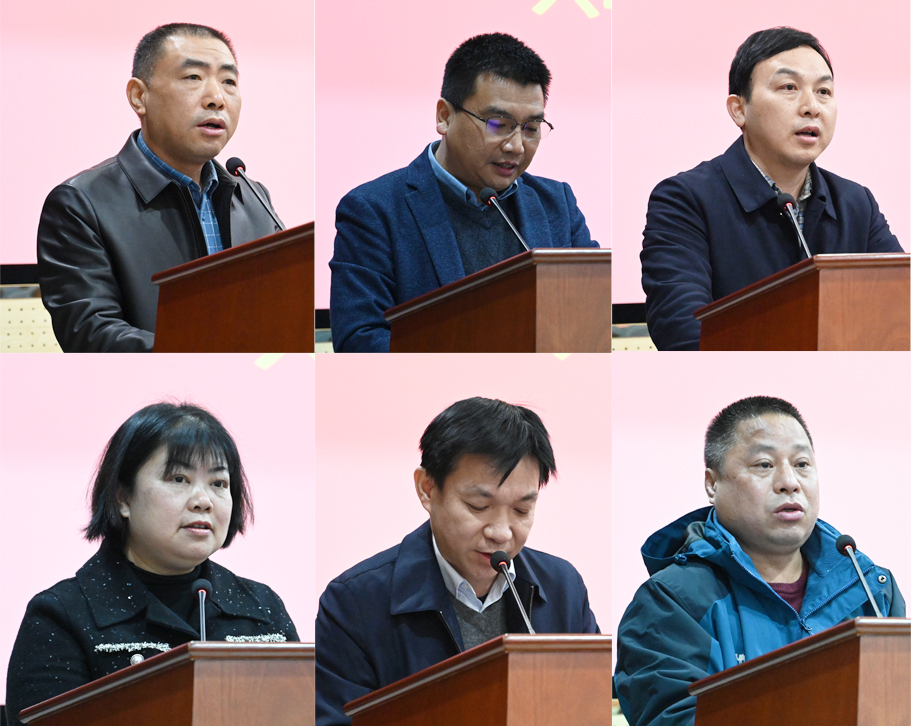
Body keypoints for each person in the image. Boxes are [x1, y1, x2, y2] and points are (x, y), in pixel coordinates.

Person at [614, 396, 905, 726]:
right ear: (712, 484)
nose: (789, 482)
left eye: (802, 464)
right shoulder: (671, 602)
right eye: (764, 465)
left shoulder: (870, 589)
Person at [5, 403, 298, 724]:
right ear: (123, 497)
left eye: (218, 483)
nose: (203, 501)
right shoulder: (61, 616)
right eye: (179, 478)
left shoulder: (261, 609)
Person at [315, 398, 598, 725]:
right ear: (427, 489)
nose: (500, 533)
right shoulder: (355, 603)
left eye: (521, 510)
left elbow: (590, 706)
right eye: (479, 506)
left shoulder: (563, 587)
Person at [329, 33, 599, 352]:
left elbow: (590, 318)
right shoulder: (373, 211)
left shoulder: (558, 204)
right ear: (444, 116)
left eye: (531, 128)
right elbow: (360, 342)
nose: (516, 146)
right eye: (498, 124)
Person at [640, 28, 904, 351]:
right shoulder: (684, 200)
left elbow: (899, 312)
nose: (812, 107)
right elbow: (684, 333)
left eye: (823, 91)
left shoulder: (856, 204)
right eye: (789, 87)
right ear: (739, 109)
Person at [37, 23, 282, 353]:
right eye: (193, 77)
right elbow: (90, 334)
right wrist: (209, 352)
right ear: (139, 96)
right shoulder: (81, 204)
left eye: (229, 81)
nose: (216, 99)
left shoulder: (253, 198)